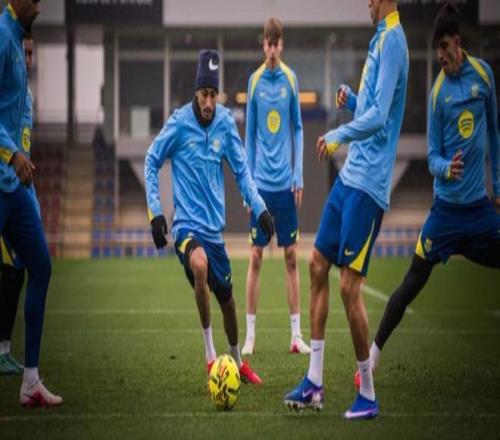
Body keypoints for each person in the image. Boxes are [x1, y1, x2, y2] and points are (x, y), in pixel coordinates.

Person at [363, 1, 500, 384]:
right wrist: (446, 168)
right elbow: (433, 155)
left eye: (443, 47)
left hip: (479, 210)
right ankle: (372, 357)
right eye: (436, 48)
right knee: (411, 281)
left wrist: (499, 187)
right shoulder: (439, 93)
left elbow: (494, 133)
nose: (440, 55)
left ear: (457, 41)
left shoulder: (484, 77)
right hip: (445, 214)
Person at [284, 0, 408, 420]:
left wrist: (339, 133)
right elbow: (372, 108)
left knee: (349, 287)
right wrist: (353, 100)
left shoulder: (394, 42)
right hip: (350, 177)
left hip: (369, 186)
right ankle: (314, 383)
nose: (366, 3)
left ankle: (368, 394)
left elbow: (380, 118)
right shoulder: (379, 40)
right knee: (317, 264)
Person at [145, 49, 274, 385]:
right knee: (199, 265)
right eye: (204, 94)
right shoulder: (178, 124)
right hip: (186, 227)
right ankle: (210, 356)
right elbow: (151, 160)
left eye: (214, 95)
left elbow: (242, 172)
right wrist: (155, 212)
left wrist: (260, 208)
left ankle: (237, 361)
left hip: (215, 233)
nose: (208, 102)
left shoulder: (226, 124)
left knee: (229, 303)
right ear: (196, 92)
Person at [0, 0, 62, 406]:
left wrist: (29, 192)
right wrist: (11, 154)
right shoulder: (1, 38)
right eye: (35, 1)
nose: (39, 8)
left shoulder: (18, 41)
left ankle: (30, 382)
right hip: (2, 175)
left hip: (15, 187)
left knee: (40, 266)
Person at [242, 17, 309, 356]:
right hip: (261, 187)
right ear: (263, 44)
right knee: (255, 257)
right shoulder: (253, 81)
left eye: (276, 43)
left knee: (292, 256)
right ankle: (250, 337)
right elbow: (249, 135)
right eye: (268, 43)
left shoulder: (291, 79)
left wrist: (298, 173)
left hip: (285, 186)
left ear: (281, 45)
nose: (271, 49)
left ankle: (296, 336)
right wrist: (248, 185)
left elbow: (298, 128)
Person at [0, 33, 40, 376]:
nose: (27, 60)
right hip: (3, 189)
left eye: (31, 54)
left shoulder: (27, 98)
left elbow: (24, 149)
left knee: (20, 269)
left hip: (18, 191)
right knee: (11, 270)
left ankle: (4, 349)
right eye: (23, 53)